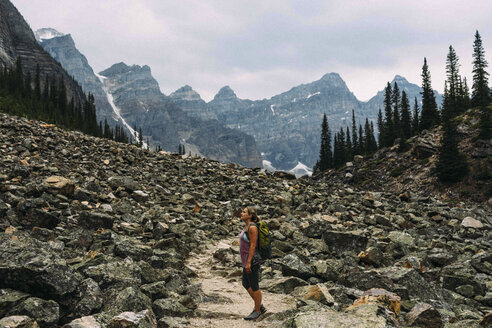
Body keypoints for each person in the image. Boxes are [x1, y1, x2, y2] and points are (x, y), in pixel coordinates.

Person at [239, 206, 266, 321]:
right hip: (246, 260)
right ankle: (259, 305)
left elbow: (253, 246)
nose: (241, 213)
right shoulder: (247, 226)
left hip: (252, 260)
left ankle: (257, 311)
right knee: (246, 283)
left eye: (244, 212)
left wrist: (249, 262)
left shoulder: (252, 228)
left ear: (250, 215)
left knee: (254, 285)